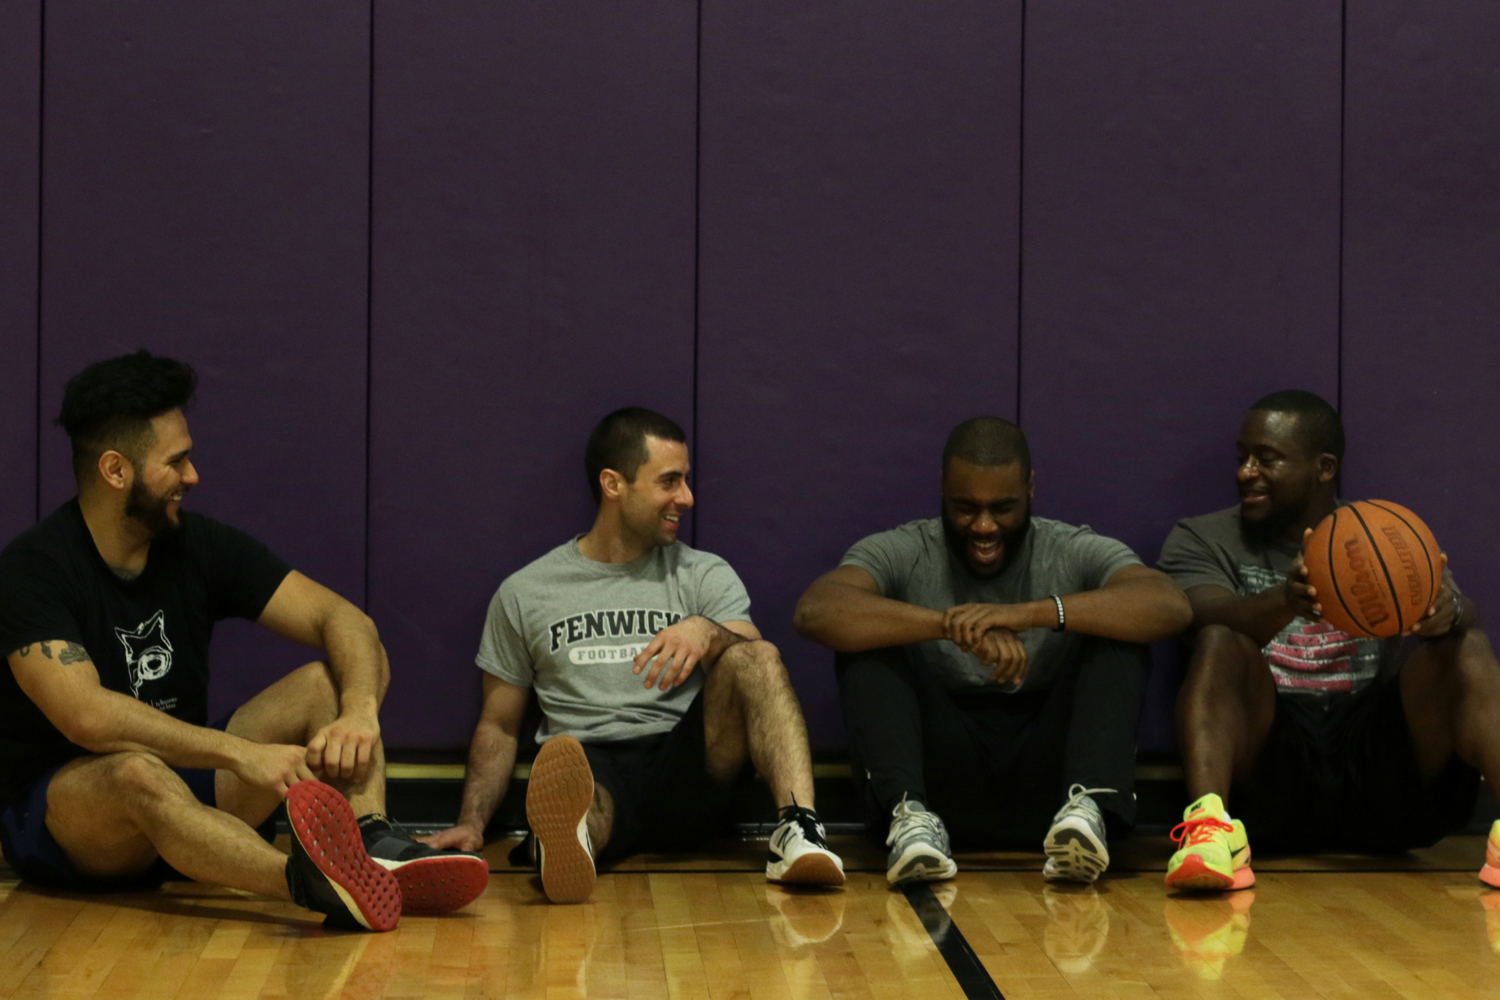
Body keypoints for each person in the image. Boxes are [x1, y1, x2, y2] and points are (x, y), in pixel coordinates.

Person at [0, 351, 488, 931]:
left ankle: (372, 841)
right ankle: (310, 883)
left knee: (323, 684)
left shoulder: (196, 544)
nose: (192, 476)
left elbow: (345, 620)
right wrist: (240, 753)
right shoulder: (33, 571)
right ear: (115, 470)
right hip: (69, 817)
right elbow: (86, 718)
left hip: (190, 793)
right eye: (175, 461)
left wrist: (359, 712)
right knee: (136, 772)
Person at [421, 408, 844, 903]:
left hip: (684, 765)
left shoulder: (702, 574)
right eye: (670, 481)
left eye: (685, 481)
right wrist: (471, 824)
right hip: (592, 764)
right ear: (613, 484)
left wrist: (706, 632)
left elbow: (754, 662)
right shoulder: (526, 592)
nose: (686, 498)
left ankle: (801, 829)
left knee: (759, 655)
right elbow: (499, 725)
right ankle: (567, 842)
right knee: (581, 793)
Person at [794, 416, 1192, 884]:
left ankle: (1089, 813)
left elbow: (1169, 605)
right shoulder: (905, 548)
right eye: (965, 507)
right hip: (941, 780)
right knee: (866, 641)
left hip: (1051, 784)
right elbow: (817, 610)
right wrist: (949, 623)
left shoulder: (1067, 547)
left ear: (1030, 489)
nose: (983, 526)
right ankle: (909, 819)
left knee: (1120, 634)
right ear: (942, 488)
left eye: (1003, 507)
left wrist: (1030, 614)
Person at [1159, 389, 1500, 892]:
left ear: (1323, 468)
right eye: (1243, 458)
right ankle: (1211, 833)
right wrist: (1285, 600)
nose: (1245, 472)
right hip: (1270, 767)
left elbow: (1458, 607)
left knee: (1467, 646)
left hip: (1378, 769)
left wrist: (1448, 611)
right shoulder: (1202, 537)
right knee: (1216, 641)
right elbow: (1198, 614)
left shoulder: (1383, 536)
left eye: (1266, 459)